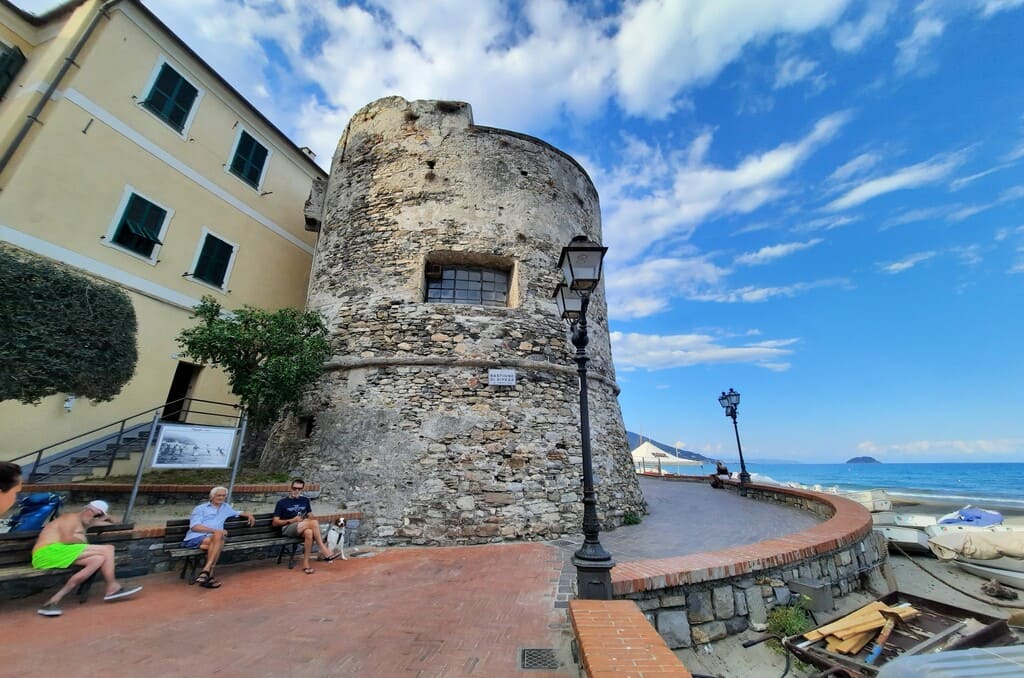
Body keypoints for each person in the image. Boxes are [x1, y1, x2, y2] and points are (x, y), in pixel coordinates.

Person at [31, 499, 142, 616]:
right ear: (87, 509)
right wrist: (81, 539)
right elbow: (66, 539)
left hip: (60, 553)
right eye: (93, 513)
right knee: (108, 549)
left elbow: (113, 522)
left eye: (97, 515)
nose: (93, 517)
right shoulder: (69, 518)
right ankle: (112, 587)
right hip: (46, 552)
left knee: (98, 559)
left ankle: (53, 601)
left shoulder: (86, 522)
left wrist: (103, 516)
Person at [182, 486, 255, 588]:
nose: (221, 498)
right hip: (196, 538)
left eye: (223, 496)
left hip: (211, 541)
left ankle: (206, 572)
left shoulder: (226, 508)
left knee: (217, 540)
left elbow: (237, 512)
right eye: (218, 495)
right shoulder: (200, 509)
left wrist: (249, 514)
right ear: (211, 496)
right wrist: (216, 531)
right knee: (219, 539)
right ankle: (209, 573)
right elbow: (195, 527)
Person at [272, 478, 340, 574]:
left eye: (299, 489)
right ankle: (323, 549)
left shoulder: (305, 500)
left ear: (302, 489)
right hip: (287, 528)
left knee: (309, 532)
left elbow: (310, 515)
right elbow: (275, 522)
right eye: (294, 488)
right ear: (290, 488)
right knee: (313, 523)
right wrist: (292, 520)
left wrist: (310, 519)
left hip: (303, 526)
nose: (296, 491)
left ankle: (306, 564)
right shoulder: (282, 502)